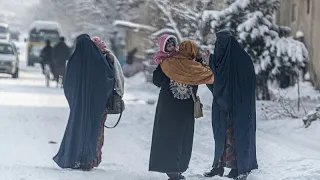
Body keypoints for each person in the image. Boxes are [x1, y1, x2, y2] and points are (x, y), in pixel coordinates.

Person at [149, 40, 214, 180]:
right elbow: (211, 76)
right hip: (185, 109)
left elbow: (156, 80)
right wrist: (202, 61)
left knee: (167, 136)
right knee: (183, 137)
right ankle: (178, 169)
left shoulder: (167, 62)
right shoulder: (196, 67)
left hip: (167, 107)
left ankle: (170, 169)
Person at [53, 34, 115, 171]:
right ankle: (87, 160)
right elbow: (109, 77)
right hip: (94, 106)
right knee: (92, 131)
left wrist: (74, 101)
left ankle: (72, 158)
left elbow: (68, 83)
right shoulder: (99, 61)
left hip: (78, 107)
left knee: (76, 130)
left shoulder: (74, 60)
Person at [204, 30, 258, 179]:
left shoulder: (243, 60)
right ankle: (218, 166)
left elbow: (248, 85)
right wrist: (209, 65)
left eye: (223, 44)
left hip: (239, 109)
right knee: (221, 137)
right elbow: (215, 86)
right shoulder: (218, 61)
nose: (220, 47)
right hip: (222, 109)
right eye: (218, 44)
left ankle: (240, 169)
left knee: (238, 138)